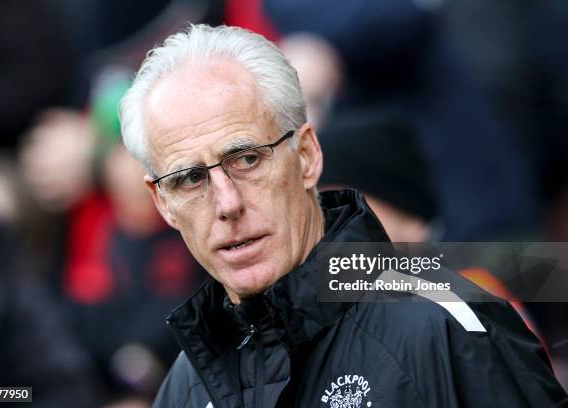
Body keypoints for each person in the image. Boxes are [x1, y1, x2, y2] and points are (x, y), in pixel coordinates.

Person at [119, 24, 567, 407]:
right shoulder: (188, 382)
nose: (227, 203)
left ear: (308, 156)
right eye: (190, 179)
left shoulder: (448, 324)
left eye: (247, 159)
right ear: (163, 203)